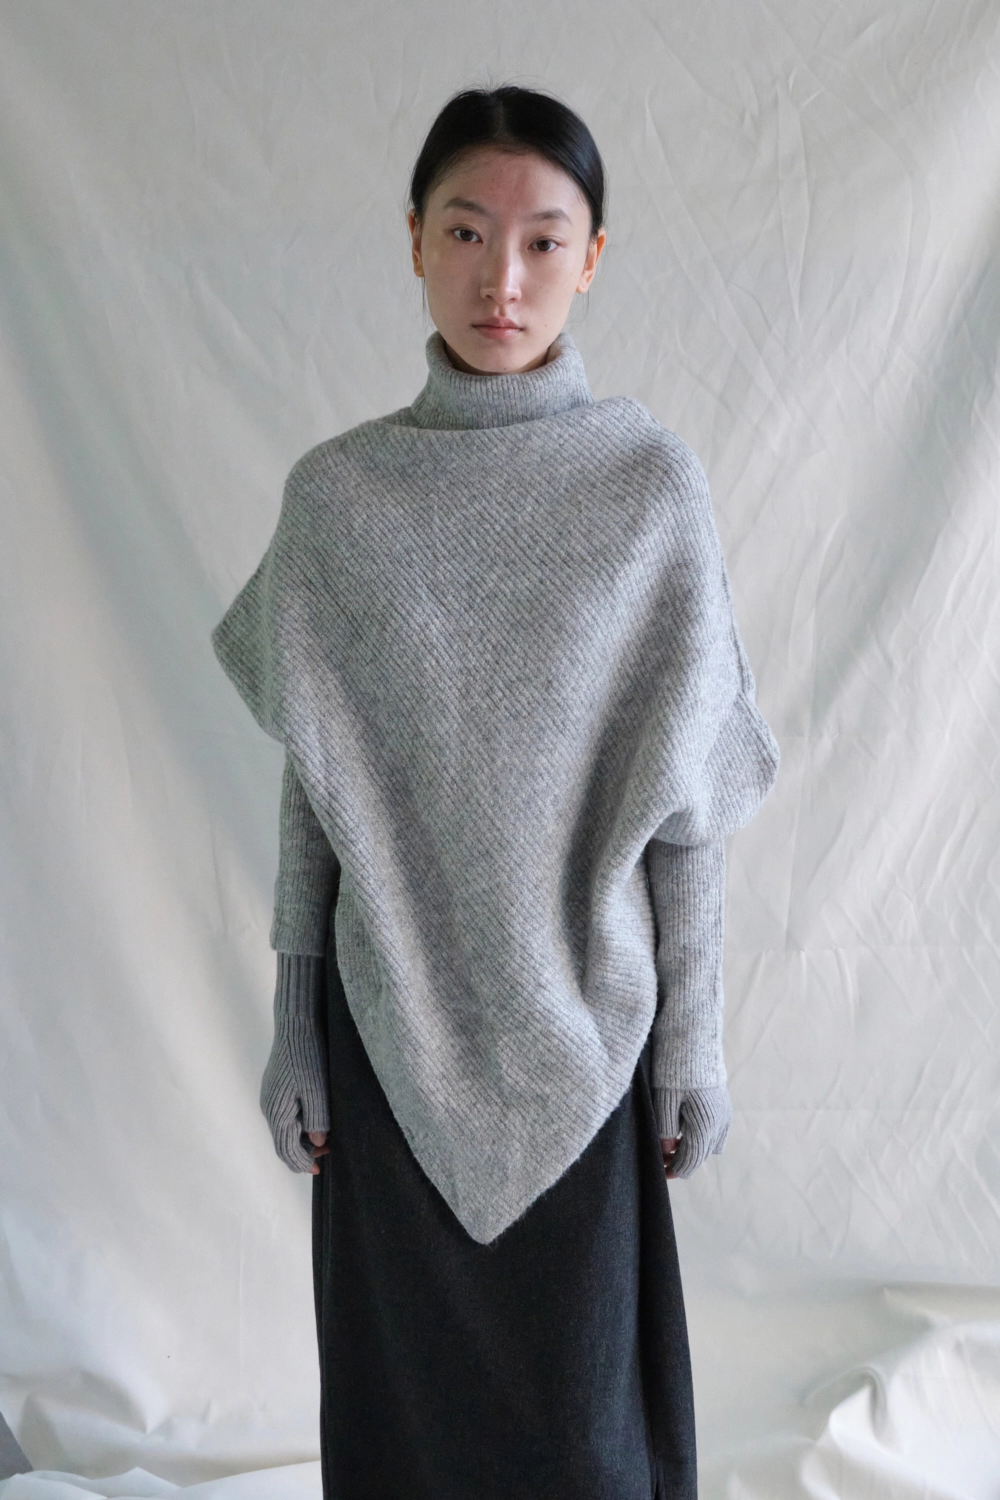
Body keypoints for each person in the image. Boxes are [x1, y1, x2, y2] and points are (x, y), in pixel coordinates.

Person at [212, 84, 779, 1500]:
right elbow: (320, 789)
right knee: (400, 1428)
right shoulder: (340, 501)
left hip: (587, 1036)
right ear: (414, 240)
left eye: (543, 240)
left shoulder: (648, 490)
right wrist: (294, 1023)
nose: (502, 278)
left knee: (583, 1437)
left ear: (593, 258)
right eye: (466, 232)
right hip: (387, 1032)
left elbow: (687, 811)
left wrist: (694, 1042)